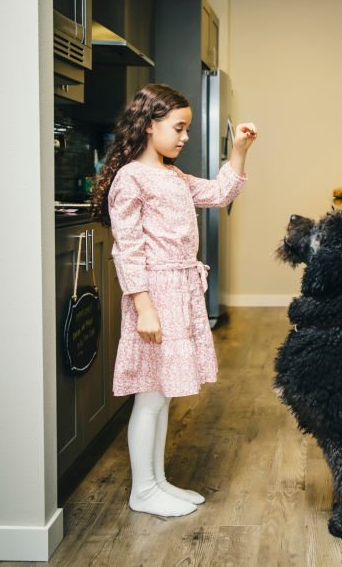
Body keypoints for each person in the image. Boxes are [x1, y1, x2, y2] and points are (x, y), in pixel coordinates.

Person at [91, 83, 257, 517]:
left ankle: (158, 481)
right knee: (150, 397)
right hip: (155, 295)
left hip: (179, 291)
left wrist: (239, 150)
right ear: (149, 125)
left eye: (186, 129)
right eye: (178, 128)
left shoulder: (173, 176)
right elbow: (127, 250)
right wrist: (144, 307)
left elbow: (220, 193)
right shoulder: (131, 178)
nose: (184, 137)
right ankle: (143, 490)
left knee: (162, 395)